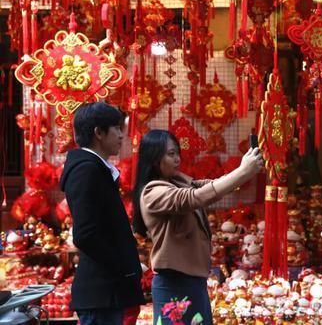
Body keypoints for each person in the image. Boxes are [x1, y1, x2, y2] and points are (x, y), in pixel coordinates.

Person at [133, 130, 263, 325]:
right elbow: (198, 197)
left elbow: (211, 187)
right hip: (174, 283)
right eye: (170, 154)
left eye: (177, 153)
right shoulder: (152, 192)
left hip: (193, 280)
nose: (177, 159)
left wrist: (243, 170)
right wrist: (243, 171)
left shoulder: (178, 181)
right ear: (153, 157)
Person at [60, 102, 145, 325]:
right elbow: (85, 234)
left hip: (106, 291)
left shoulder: (95, 168)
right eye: (116, 128)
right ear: (99, 132)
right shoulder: (86, 170)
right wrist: (124, 267)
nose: (121, 135)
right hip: (102, 292)